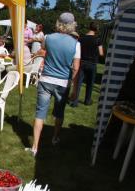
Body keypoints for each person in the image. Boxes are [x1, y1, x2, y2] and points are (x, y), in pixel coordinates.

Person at [27, 12, 81, 156]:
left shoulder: (48, 37)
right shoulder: (76, 44)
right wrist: (75, 88)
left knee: (40, 114)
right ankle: (55, 137)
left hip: (45, 80)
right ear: (72, 25)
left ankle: (35, 147)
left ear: (58, 23)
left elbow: (43, 49)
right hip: (63, 83)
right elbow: (76, 68)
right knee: (59, 113)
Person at [70, 22, 104, 107]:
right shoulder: (98, 39)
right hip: (92, 63)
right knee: (90, 83)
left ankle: (75, 101)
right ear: (96, 29)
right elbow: (101, 53)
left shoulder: (81, 38)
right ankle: (87, 101)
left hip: (82, 62)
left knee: (79, 82)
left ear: (89, 27)